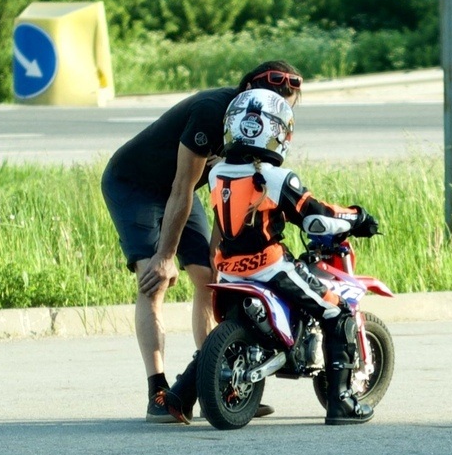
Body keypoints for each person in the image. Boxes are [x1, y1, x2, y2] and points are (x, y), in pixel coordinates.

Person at [163, 88, 381, 426]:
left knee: (226, 328)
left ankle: (178, 395)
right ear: (278, 131)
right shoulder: (276, 177)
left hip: (230, 272)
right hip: (269, 267)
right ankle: (342, 401)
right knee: (336, 311)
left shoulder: (217, 173)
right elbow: (316, 217)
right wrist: (357, 217)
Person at [101, 61, 303, 423]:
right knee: (154, 280)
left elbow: (230, 192)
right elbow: (180, 186)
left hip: (185, 189)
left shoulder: (261, 129)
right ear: (247, 92)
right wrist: (165, 255)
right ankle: (158, 393)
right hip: (134, 185)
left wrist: (220, 252)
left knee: (211, 276)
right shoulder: (213, 112)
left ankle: (218, 381)